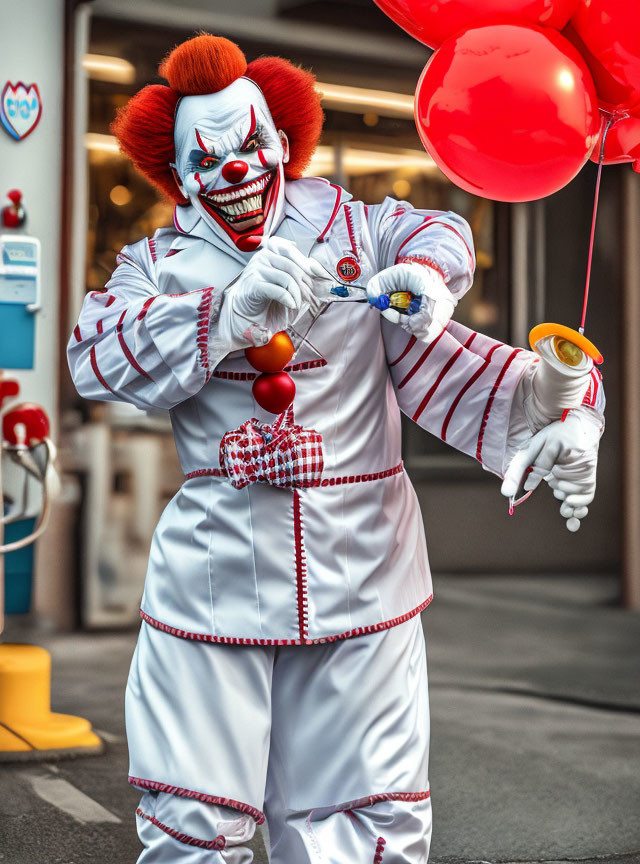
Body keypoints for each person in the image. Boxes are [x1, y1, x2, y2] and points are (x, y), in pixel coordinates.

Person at [68, 34, 604, 864]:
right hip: (212, 593)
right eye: (207, 161)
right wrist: (225, 318)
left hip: (364, 587)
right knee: (191, 828)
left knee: (362, 826)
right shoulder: (156, 267)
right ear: (178, 175)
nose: (237, 171)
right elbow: (93, 355)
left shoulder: (362, 227)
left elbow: (443, 243)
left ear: (281, 142)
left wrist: (551, 394)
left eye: (250, 145)